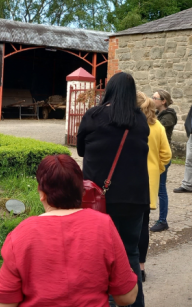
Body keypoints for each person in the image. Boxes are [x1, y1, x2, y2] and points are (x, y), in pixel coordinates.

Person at [0, 155, 139, 307]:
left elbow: (1, 303)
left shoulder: (22, 233)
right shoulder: (103, 225)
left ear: (41, 193)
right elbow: (126, 297)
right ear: (82, 191)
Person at [78, 72, 150, 307]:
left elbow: (80, 150)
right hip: (134, 199)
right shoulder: (140, 120)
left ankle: (108, 302)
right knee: (130, 253)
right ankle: (134, 303)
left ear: (109, 90)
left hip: (100, 199)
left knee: (100, 256)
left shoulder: (94, 116)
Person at [136, 92, 172, 281]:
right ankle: (141, 267)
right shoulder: (157, 126)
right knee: (143, 225)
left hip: (130, 180)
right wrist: (156, 170)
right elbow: (166, 155)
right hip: (149, 181)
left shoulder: (132, 124)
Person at [150, 89, 177, 232]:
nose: (152, 100)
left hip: (162, 156)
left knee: (161, 189)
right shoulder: (157, 114)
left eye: (155, 98)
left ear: (163, 101)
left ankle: (163, 220)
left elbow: (158, 127)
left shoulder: (169, 116)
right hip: (154, 155)